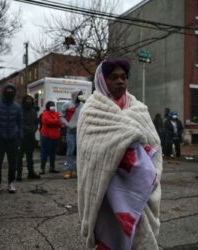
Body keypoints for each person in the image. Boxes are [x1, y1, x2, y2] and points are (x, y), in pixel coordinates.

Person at [77, 59, 162, 249]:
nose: (120, 81)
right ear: (101, 79)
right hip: (107, 191)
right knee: (112, 235)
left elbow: (154, 142)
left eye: (124, 77)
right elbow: (87, 151)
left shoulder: (138, 108)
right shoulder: (92, 111)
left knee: (139, 235)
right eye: (113, 77)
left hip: (138, 188)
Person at [0, 83, 22, 193]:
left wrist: (19, 137)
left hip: (13, 139)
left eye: (11, 91)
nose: (9, 93)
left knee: (13, 163)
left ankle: (11, 183)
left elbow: (20, 123)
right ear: (4, 92)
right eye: (7, 90)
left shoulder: (17, 107)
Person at [60, 90, 85, 179]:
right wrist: (68, 125)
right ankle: (68, 170)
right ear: (75, 95)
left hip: (81, 132)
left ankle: (79, 171)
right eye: (79, 95)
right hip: (70, 131)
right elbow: (61, 116)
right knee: (70, 150)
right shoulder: (67, 105)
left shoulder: (83, 105)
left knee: (81, 152)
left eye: (81, 95)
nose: (80, 96)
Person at [16, 95, 40, 180]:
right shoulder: (20, 110)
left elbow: (36, 123)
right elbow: (19, 122)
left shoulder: (33, 111)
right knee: (19, 157)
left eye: (30, 100)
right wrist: (27, 129)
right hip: (21, 137)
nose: (29, 101)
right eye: (27, 100)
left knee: (30, 156)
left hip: (31, 137)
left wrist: (33, 129)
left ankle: (31, 172)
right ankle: (19, 174)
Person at [39, 101, 62, 175]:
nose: (53, 106)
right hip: (46, 136)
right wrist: (56, 121)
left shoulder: (56, 113)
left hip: (55, 137)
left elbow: (60, 123)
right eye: (51, 105)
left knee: (53, 153)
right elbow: (46, 121)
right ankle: (42, 168)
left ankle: (52, 167)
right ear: (48, 106)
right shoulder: (45, 113)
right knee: (44, 153)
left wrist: (54, 122)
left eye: (53, 105)